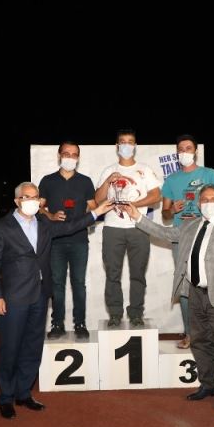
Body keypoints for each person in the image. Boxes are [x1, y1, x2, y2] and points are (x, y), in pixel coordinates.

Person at [0, 182, 112, 420]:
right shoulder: (1, 227)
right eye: (27, 197)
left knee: (33, 347)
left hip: (40, 295)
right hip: (13, 298)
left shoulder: (44, 224)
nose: (33, 201)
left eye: (36, 197)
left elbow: (72, 226)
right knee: (10, 349)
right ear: (17, 201)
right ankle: (6, 397)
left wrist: (96, 212)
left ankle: (24, 393)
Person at [119, 184, 214, 410]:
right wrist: (137, 216)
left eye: (213, 199)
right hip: (194, 293)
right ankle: (208, 385)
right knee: (200, 342)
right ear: (198, 203)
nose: (208, 203)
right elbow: (165, 233)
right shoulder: (189, 225)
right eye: (204, 199)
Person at [161, 134, 214, 349]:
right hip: (181, 238)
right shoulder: (171, 180)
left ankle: (212, 334)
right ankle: (190, 334)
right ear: (177, 153)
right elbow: (165, 214)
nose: (185, 152)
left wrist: (209, 216)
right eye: (181, 149)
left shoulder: (209, 174)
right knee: (185, 288)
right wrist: (172, 209)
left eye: (188, 148)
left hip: (207, 236)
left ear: (196, 151)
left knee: (211, 284)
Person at [95, 129, 162, 327]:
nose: (126, 145)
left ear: (135, 146)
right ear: (117, 146)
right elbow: (97, 199)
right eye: (122, 142)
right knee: (112, 274)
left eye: (130, 141)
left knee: (138, 274)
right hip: (112, 228)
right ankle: (115, 314)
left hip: (138, 227)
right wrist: (108, 181)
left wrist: (135, 205)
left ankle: (136, 313)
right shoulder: (109, 170)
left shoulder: (144, 169)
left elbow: (156, 196)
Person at [38, 142, 97, 341]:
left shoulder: (85, 181)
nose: (70, 157)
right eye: (66, 153)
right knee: (57, 283)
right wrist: (50, 215)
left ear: (78, 158)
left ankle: (80, 323)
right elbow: (38, 207)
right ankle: (57, 324)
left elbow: (93, 207)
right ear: (59, 155)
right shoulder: (47, 181)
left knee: (79, 283)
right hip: (55, 241)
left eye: (74, 154)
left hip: (80, 240)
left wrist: (85, 216)